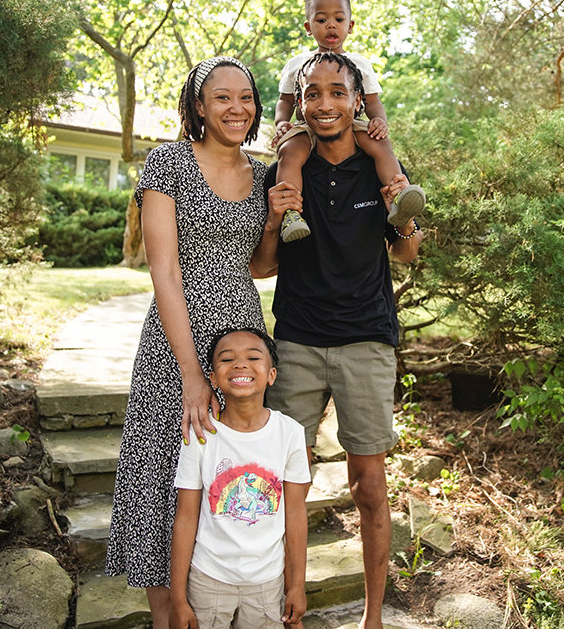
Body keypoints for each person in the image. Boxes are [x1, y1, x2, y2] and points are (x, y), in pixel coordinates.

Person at [105, 56, 278, 629]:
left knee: (232, 474)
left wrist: (274, 222)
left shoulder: (265, 173)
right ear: (198, 105)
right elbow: (165, 273)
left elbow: (258, 266)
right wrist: (190, 374)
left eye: (246, 98)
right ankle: (166, 618)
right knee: (164, 474)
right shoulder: (169, 162)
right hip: (175, 343)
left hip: (241, 341)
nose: (237, 108)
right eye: (222, 97)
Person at [261, 51, 423, 629]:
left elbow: (406, 255)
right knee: (286, 481)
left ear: (358, 100)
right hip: (300, 340)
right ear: (300, 102)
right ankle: (287, 603)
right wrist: (276, 218)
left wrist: (402, 221)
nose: (324, 104)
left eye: (337, 92)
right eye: (312, 94)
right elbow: (261, 268)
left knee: (368, 483)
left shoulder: (380, 167)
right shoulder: (287, 163)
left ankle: (373, 616)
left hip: (365, 341)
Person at [169, 328, 311, 629]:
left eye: (253, 357)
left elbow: (296, 513)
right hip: (208, 578)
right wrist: (178, 599)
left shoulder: (290, 434)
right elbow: (185, 516)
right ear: (213, 377)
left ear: (271, 374)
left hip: (267, 582)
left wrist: (296, 584)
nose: (240, 364)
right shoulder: (200, 436)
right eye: (227, 358)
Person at [272, 0, 425, 242]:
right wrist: (281, 123)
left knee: (380, 144)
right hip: (308, 125)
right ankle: (291, 214)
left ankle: (398, 196)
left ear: (350, 25)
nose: (331, 26)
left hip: (348, 124)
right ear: (308, 27)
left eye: (338, 19)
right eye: (321, 20)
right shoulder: (297, 64)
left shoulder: (359, 64)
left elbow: (374, 103)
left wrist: (379, 121)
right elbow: (284, 101)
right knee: (289, 152)